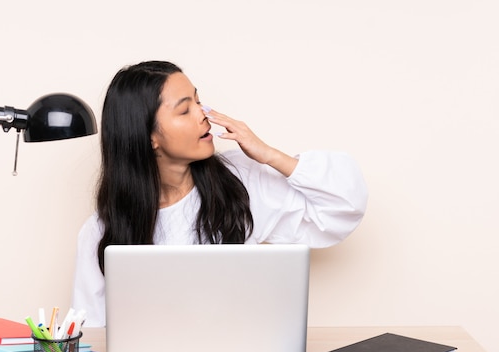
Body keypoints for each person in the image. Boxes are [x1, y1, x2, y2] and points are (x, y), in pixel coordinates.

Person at [72, 60, 368, 326]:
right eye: (185, 109)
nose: (204, 114)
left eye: (199, 102)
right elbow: (92, 333)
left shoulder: (241, 180)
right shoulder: (101, 233)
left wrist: (268, 155)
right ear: (149, 137)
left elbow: (343, 207)